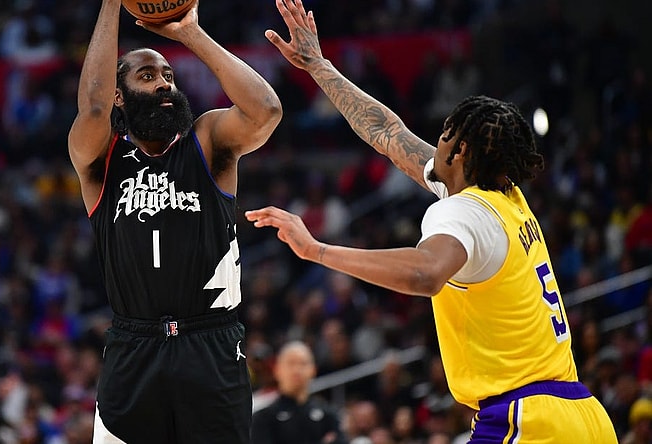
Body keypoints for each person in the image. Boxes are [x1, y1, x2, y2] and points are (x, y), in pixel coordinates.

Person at [246, 0, 617, 442]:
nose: (433, 140)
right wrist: (319, 66)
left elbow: (425, 274)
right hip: (582, 414)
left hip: (529, 419)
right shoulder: (503, 200)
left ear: (458, 153)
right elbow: (390, 135)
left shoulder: (462, 212)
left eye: (443, 133)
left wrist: (316, 250)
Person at [66, 0, 281, 442]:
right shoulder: (102, 160)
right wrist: (112, 3)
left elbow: (266, 110)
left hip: (211, 343)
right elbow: (91, 109)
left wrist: (190, 34)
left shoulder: (206, 142)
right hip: (133, 347)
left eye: (169, 75)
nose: (165, 84)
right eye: (148, 76)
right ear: (119, 96)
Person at [252, 341, 347, 444]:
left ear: (313, 370)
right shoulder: (263, 418)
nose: (297, 370)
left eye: (303, 363)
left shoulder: (329, 415)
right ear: (277, 370)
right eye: (291, 363)